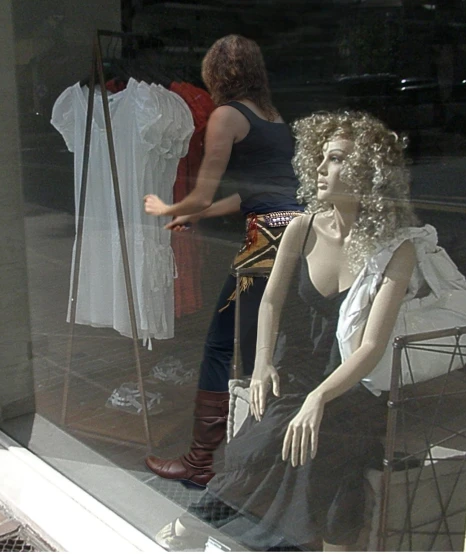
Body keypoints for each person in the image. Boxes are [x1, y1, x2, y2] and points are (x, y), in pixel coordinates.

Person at [155, 110, 421, 551]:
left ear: (365, 171)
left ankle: (213, 529)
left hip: (351, 385)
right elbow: (272, 301)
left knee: (319, 446)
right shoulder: (302, 228)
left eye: (334, 159)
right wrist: (261, 365)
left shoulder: (396, 249)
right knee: (266, 438)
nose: (319, 167)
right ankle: (213, 525)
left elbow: (372, 345)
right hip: (294, 367)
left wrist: (320, 398)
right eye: (320, 156)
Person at [143, 34, 304, 489]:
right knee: (261, 348)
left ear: (214, 73)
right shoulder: (273, 117)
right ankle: (257, 458)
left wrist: (169, 209)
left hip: (266, 240)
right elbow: (248, 195)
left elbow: (203, 190)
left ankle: (202, 464)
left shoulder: (226, 116)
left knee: (221, 345)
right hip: (291, 231)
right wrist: (196, 214)